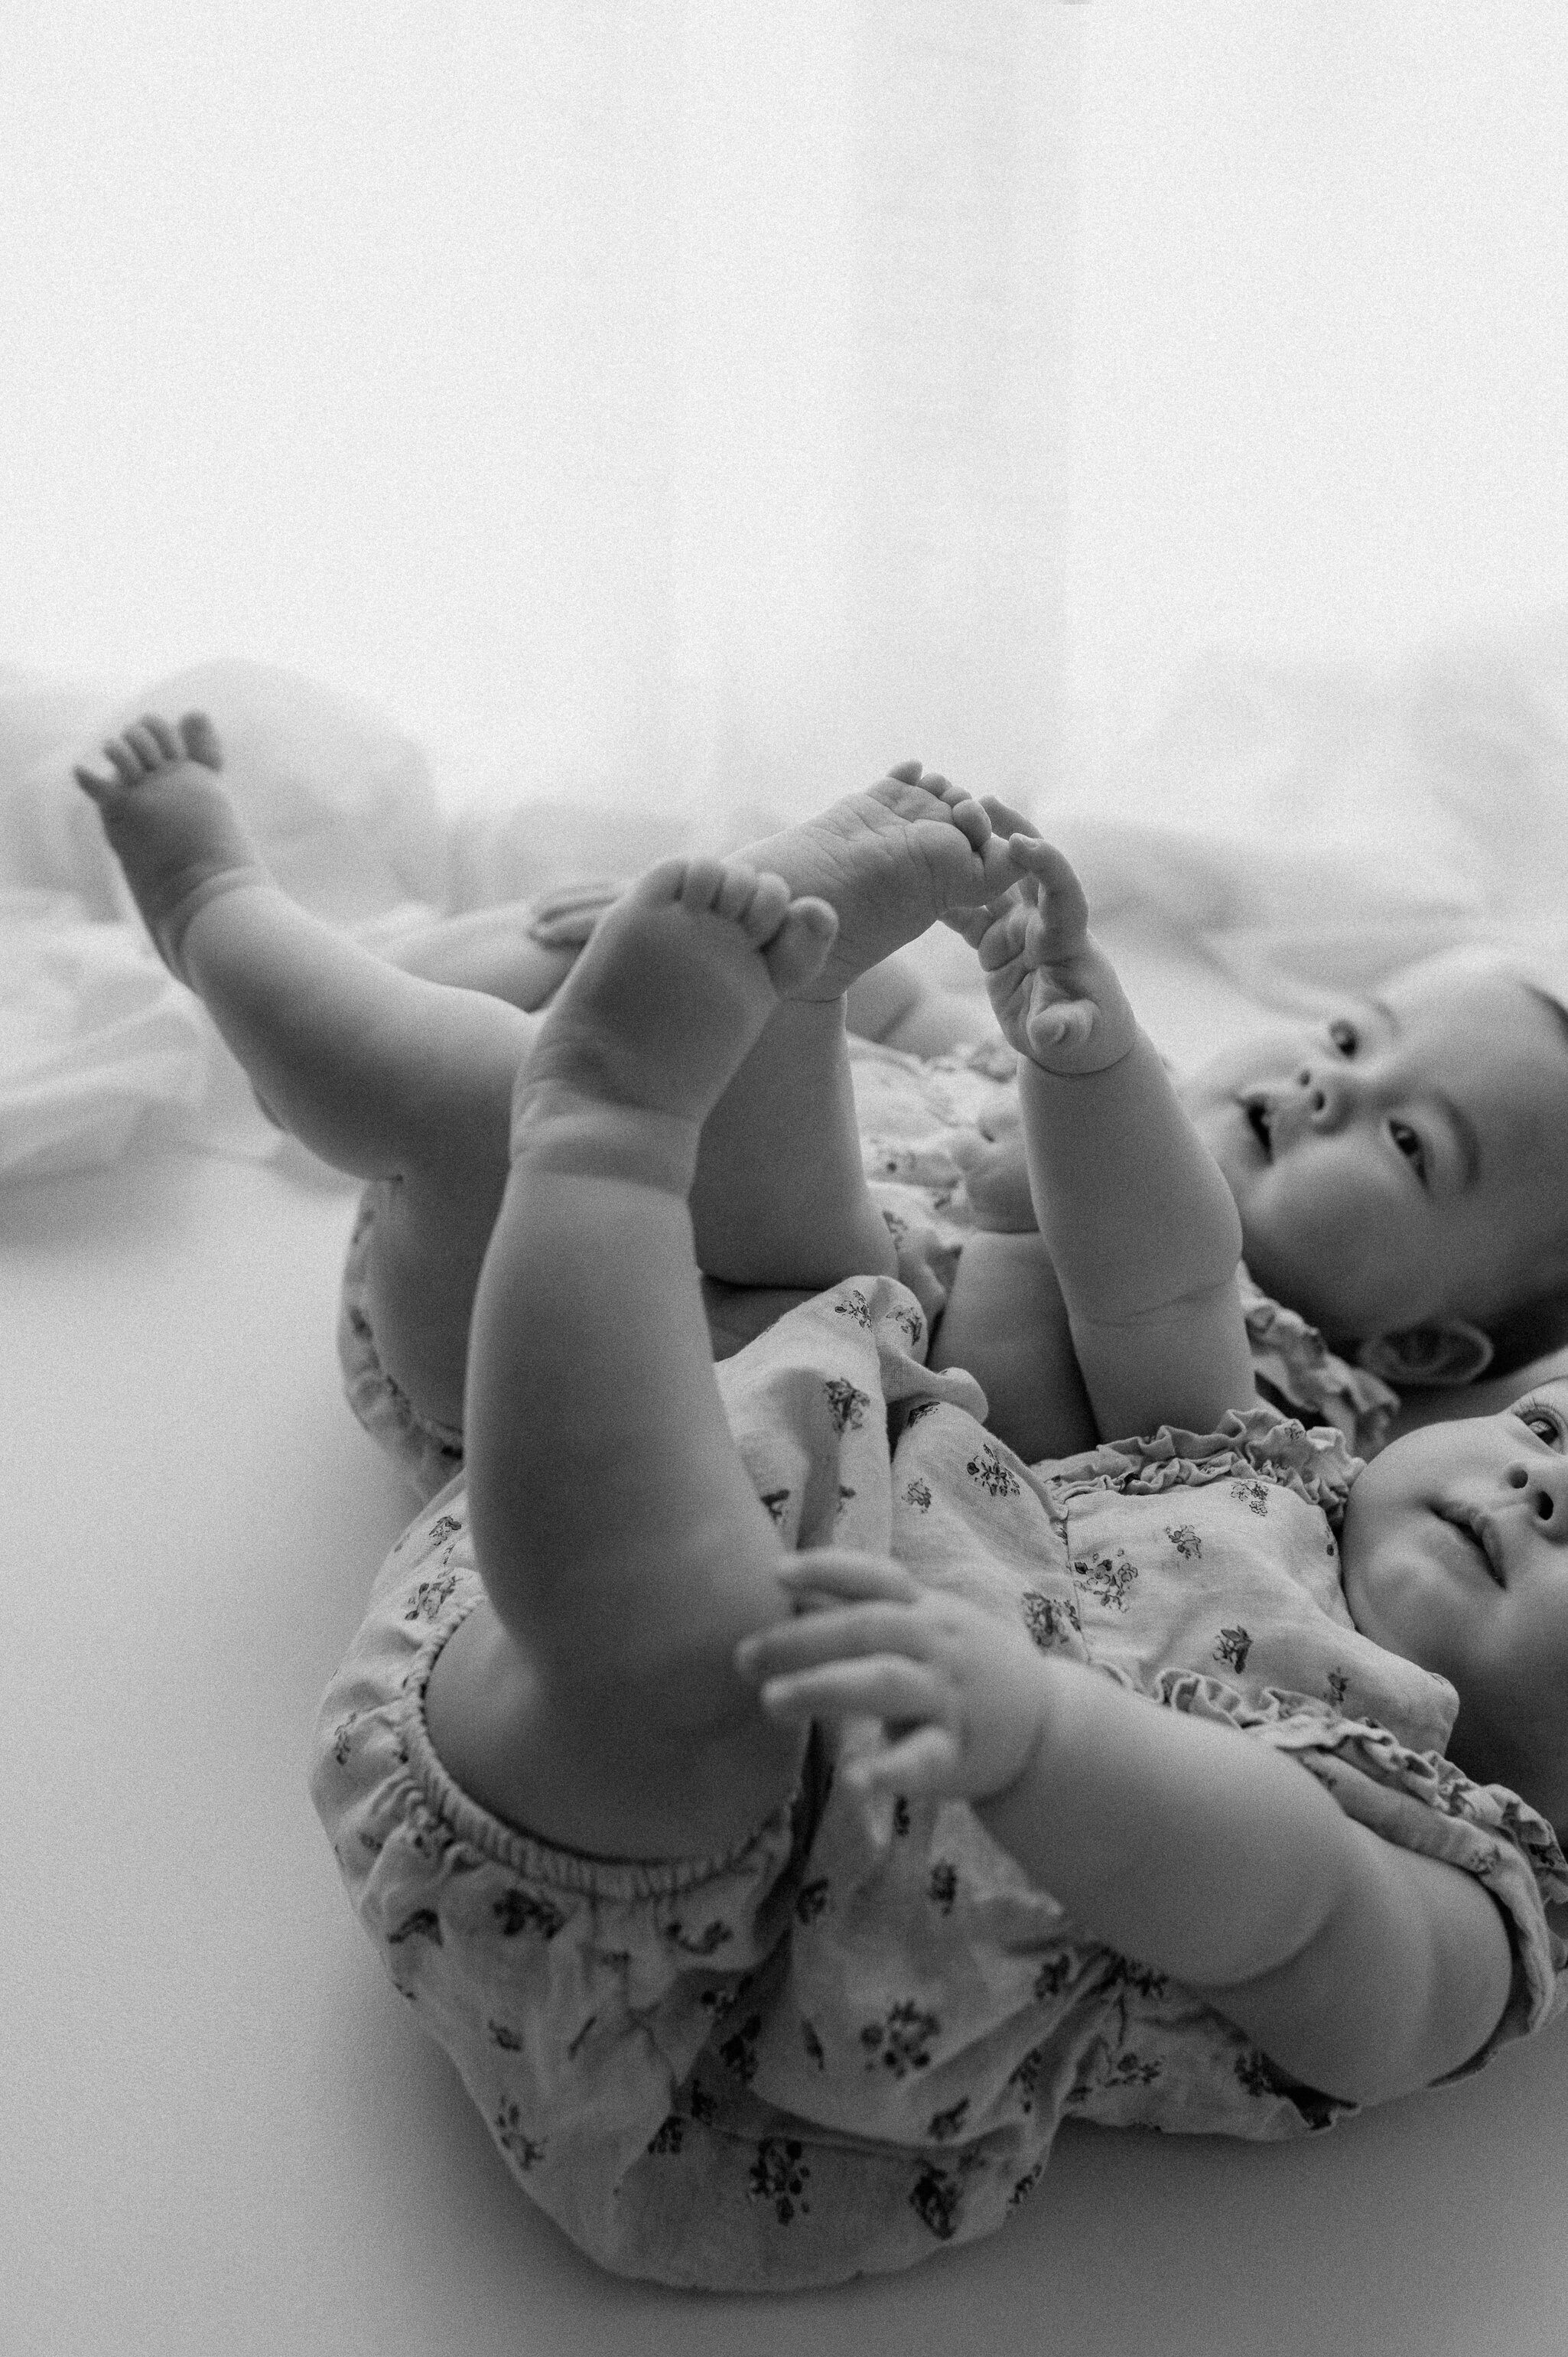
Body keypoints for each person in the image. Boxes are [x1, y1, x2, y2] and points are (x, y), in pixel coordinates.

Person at [73, 717, 1568, 2288]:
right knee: (722, 1254)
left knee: (707, 1658)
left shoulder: (1479, 1905)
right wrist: (1089, 1053)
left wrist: (1046, 1737)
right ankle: (657, 1048)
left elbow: (1292, 1902)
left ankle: (611, 1128)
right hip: (732, 1430)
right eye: (1548, 1424)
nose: (1539, 1470)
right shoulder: (1279, 1488)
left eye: (1404, 1133)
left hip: (691, 1943)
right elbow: (1161, 1289)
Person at [73, 717, 1568, 1501]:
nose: (1326, 1080)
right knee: (585, 958)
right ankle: (615, 974)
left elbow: (1136, 1265)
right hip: (685, 1167)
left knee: (476, 1088)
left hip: (572, 1359)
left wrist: (1074, 1058)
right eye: (1348, 1030)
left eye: (1402, 1139)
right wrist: (877, 976)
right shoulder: (1068, 1081)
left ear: (1422, 1342)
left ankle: (218, 911)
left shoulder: (1264, 1394)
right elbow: (916, 1032)